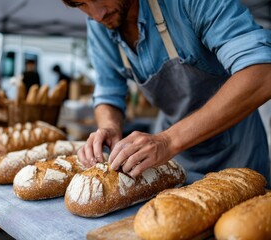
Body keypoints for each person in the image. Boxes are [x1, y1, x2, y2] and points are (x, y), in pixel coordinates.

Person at [61, 0, 271, 185]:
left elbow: (262, 73)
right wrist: (109, 125)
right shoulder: (100, 25)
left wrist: (168, 141)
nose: (97, 15)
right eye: (81, 4)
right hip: (175, 157)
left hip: (238, 151)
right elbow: (108, 91)